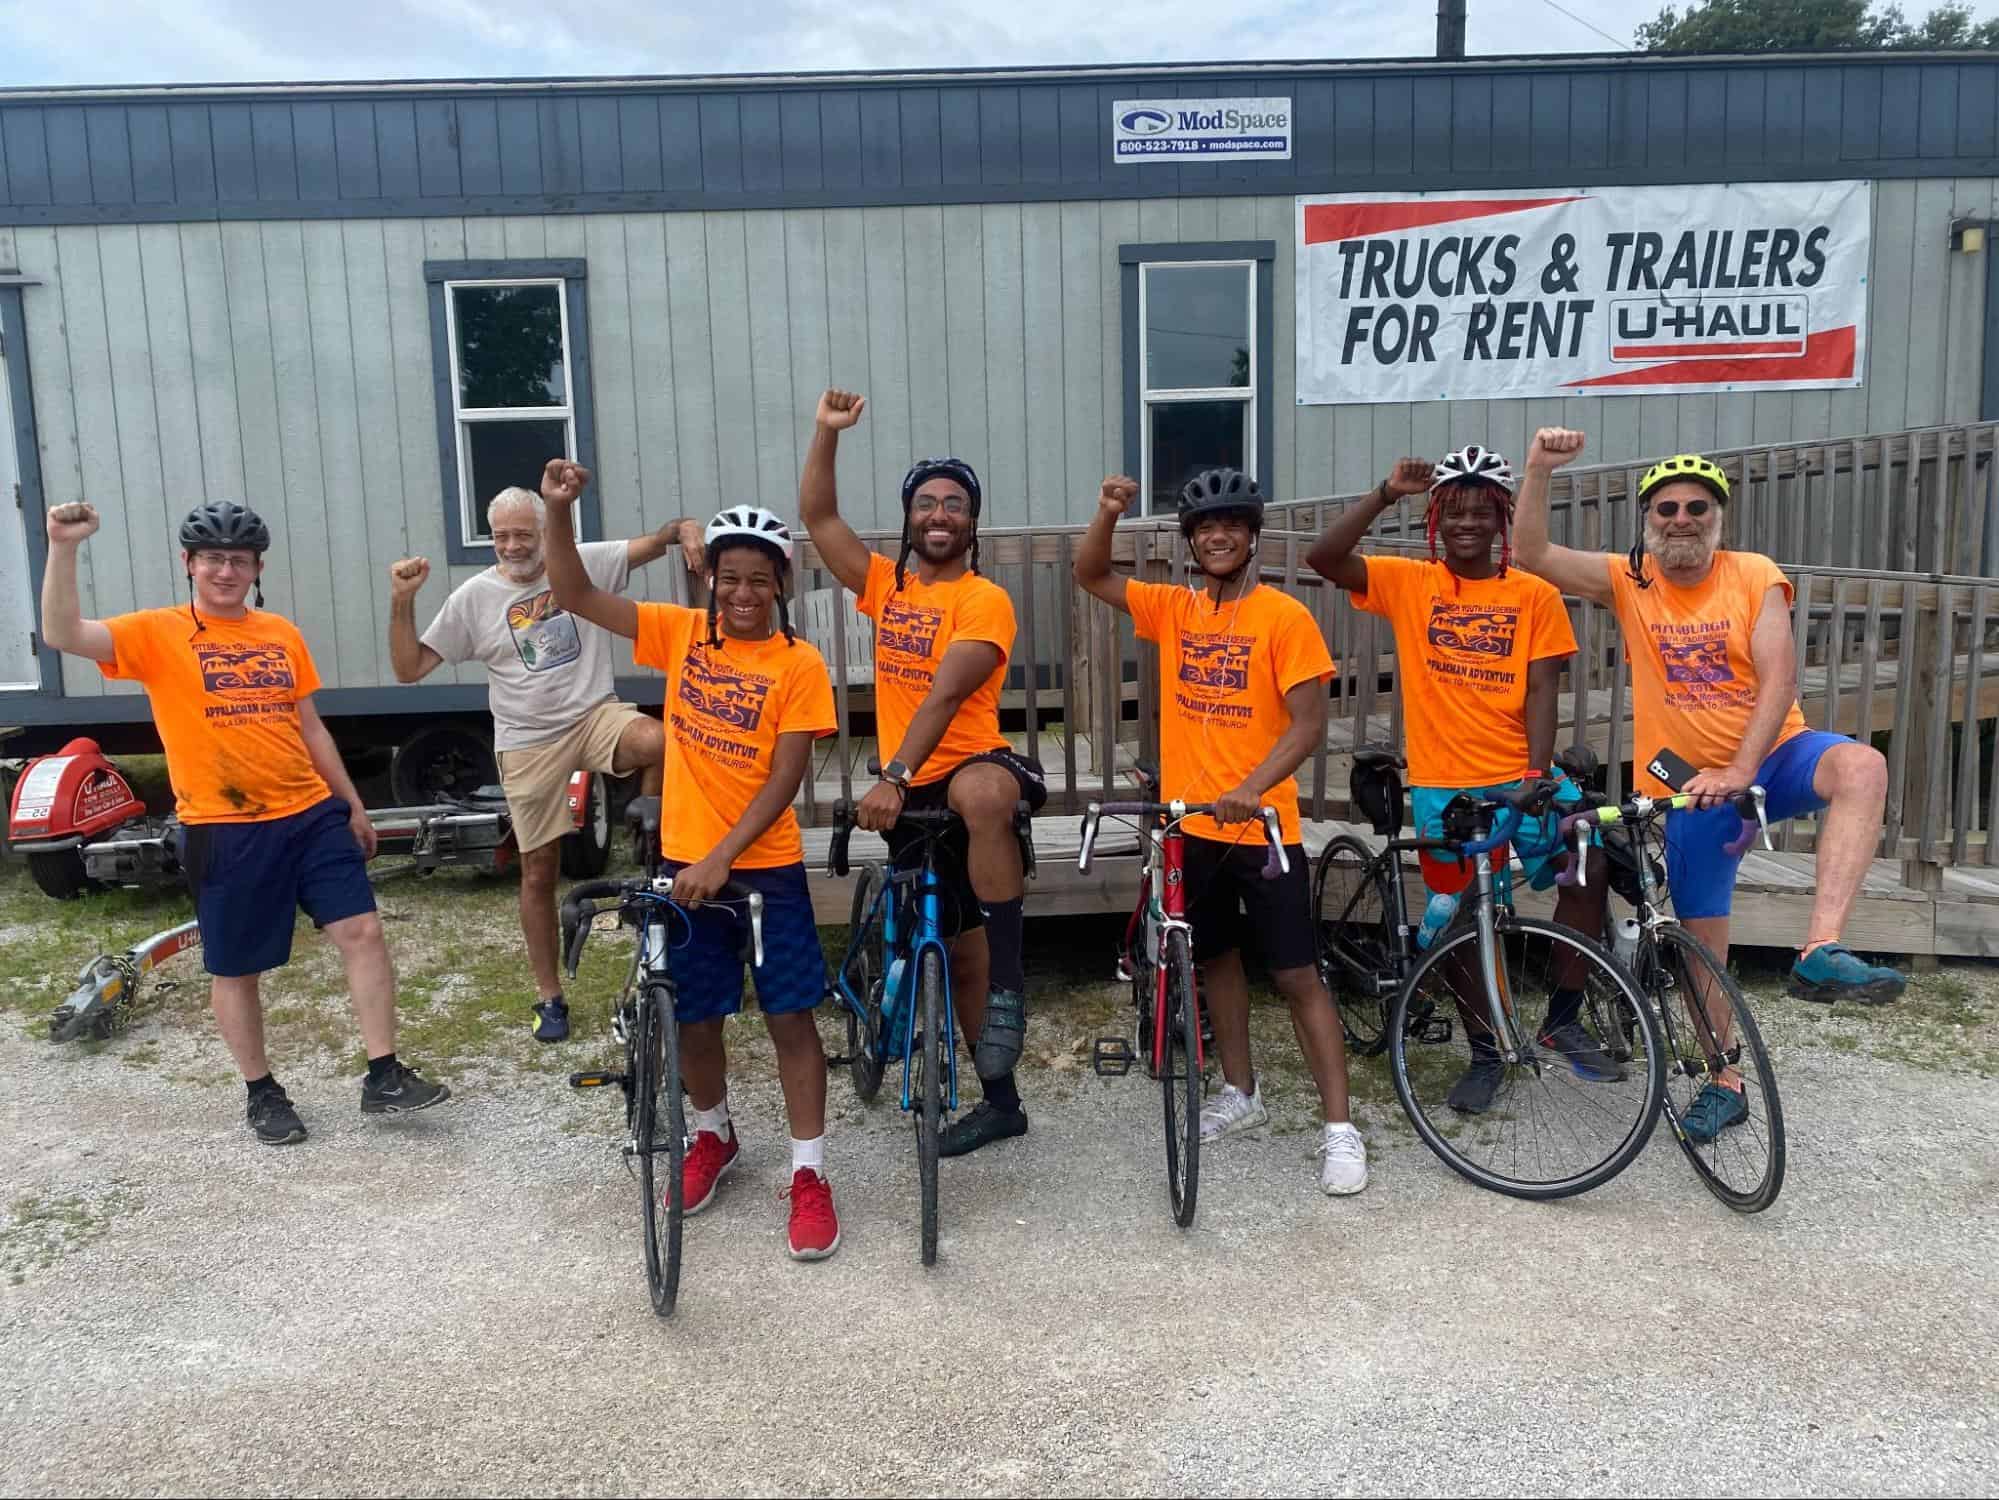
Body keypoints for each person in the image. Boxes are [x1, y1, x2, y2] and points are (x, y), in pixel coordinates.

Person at [1512, 429, 1904, 1135]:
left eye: (1696, 507)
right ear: (1646, 521)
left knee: (1861, 764)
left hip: (1771, 755)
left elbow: (1778, 675)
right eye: (1665, 510)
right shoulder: (1629, 579)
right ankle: (1723, 1077)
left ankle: (1818, 950)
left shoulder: (1752, 573)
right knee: (1702, 946)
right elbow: (1532, 555)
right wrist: (1538, 468)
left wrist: (1742, 770)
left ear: (1717, 518)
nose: (1681, 520)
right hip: (1686, 783)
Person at [38, 499, 448, 1146]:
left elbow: (308, 725)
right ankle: (262, 1092)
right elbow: (64, 634)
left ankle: (384, 1074)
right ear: (189, 563)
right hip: (224, 825)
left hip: (310, 812)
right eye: (212, 559)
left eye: (238, 560)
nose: (225, 571)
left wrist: (351, 802)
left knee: (363, 931)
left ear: (257, 567)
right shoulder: (157, 632)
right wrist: (63, 546)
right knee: (237, 969)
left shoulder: (280, 632)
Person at [540, 461, 843, 1261]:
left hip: (761, 866)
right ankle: (713, 1135)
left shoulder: (797, 665)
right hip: (684, 861)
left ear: (780, 585)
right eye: (729, 578)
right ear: (708, 577)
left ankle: (809, 1172)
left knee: (788, 1015)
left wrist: (721, 857)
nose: (742, 594)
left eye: (758, 581)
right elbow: (572, 593)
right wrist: (557, 511)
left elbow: (785, 777)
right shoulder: (680, 634)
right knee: (697, 1013)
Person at [1075, 467, 1367, 1196]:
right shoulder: (1175, 608)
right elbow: (1089, 573)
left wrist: (1250, 788)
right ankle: (1240, 1093)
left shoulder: (1283, 617)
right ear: (1190, 540)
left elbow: (1307, 726)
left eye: (1230, 525)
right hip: (1188, 827)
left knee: (1297, 976)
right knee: (1216, 966)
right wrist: (1108, 511)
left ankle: (1339, 1130)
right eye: (1205, 527)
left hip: (1261, 828)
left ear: (1251, 534)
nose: (1217, 536)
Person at [1306, 445, 1619, 1114]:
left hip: (1518, 775)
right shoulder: (1408, 582)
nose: (1468, 523)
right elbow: (1323, 560)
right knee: (1456, 920)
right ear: (1436, 519)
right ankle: (1484, 1050)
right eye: (1454, 511)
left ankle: (1561, 1020)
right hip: (1446, 786)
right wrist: (1382, 493)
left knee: (1589, 861)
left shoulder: (1533, 594)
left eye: (1482, 511)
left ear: (1502, 516)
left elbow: (1541, 688)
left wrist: (1537, 772)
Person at [799, 388, 1047, 1159]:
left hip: (959, 768)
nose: (940, 514)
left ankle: (1007, 987)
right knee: (938, 942)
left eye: (956, 504)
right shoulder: (889, 587)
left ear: (973, 522)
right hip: (900, 788)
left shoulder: (986, 599)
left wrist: (898, 771)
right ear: (910, 518)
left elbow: (946, 691)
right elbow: (818, 519)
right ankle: (993, 1095)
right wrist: (825, 433)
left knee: (983, 799)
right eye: (926, 503)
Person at [388, 487, 697, 1043]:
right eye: (501, 535)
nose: (512, 546)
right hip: (527, 739)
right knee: (538, 870)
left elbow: (662, 537)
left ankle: (649, 836)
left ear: (546, 533)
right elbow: (409, 669)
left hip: (595, 715)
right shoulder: (472, 598)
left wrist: (689, 530)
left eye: (524, 534)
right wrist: (402, 599)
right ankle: (549, 996)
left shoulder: (584, 561)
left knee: (669, 742)